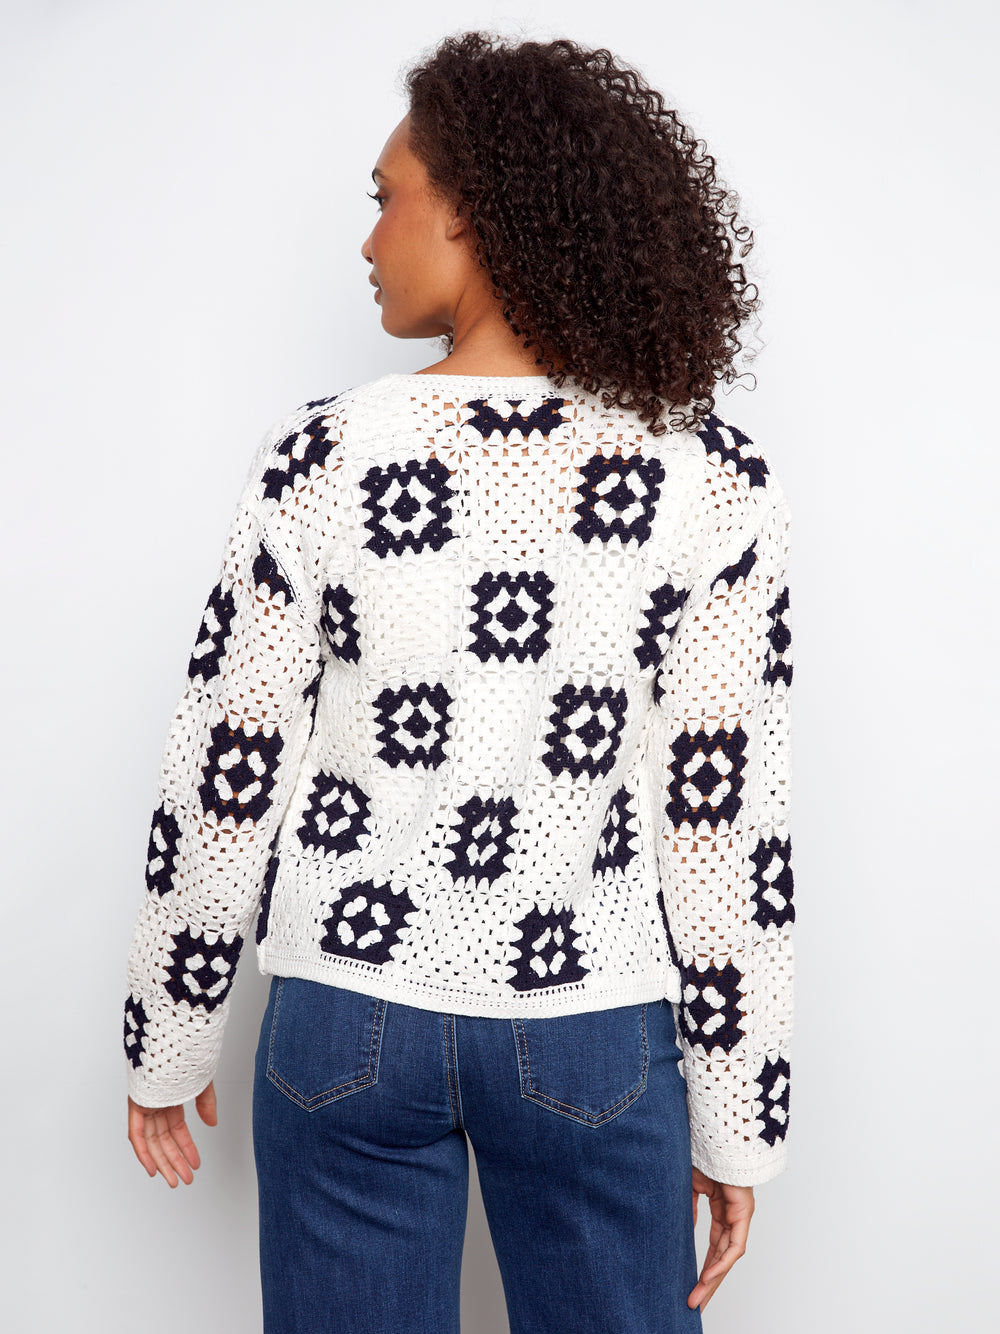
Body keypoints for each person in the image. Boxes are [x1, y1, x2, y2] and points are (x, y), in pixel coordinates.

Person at [124, 30, 794, 1334]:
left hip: (344, 1013)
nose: (367, 239)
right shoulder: (709, 477)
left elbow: (227, 771)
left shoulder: (324, 457)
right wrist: (739, 1115)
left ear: (474, 211)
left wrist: (170, 1030)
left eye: (387, 198)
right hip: (590, 1025)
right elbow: (723, 823)